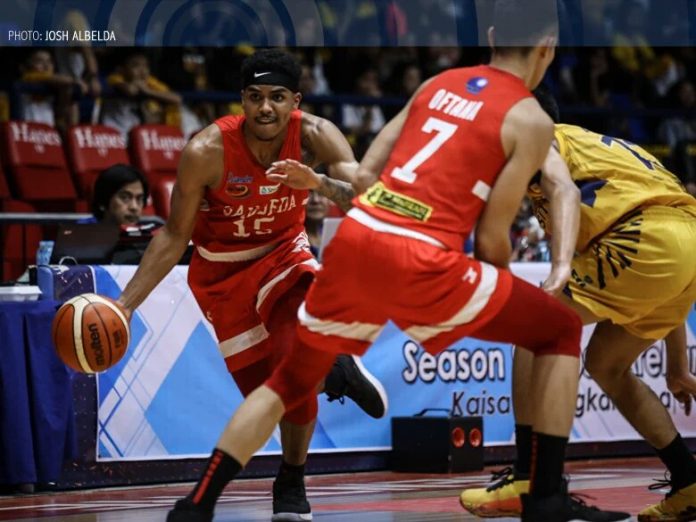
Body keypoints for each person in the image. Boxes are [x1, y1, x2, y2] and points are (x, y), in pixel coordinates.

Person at [165, 2, 630, 521]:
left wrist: (319, 183)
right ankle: (546, 498)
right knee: (559, 329)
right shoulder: (532, 118)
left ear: (493, 36)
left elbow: (363, 179)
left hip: (360, 240)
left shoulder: (437, 85)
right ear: (549, 48)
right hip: (425, 257)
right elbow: (493, 235)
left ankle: (196, 505)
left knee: (289, 384)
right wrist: (501, 292)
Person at [115, 49, 387, 522]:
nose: (266, 108)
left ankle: (292, 478)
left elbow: (370, 197)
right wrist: (124, 305)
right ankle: (335, 371)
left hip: (286, 255)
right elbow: (175, 235)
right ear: (242, 99)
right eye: (256, 97)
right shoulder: (206, 150)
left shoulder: (318, 133)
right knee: (268, 398)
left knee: (292, 368)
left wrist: (317, 181)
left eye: (277, 98)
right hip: (223, 273)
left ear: (295, 100)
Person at [460, 88, 696, 521]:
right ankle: (689, 481)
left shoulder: (543, 141)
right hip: (681, 248)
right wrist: (677, 365)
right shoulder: (589, 152)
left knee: (533, 327)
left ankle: (528, 477)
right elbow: (672, 254)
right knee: (607, 364)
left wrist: (562, 267)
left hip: (645, 237)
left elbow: (652, 236)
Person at [84, 164, 149, 226]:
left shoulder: (150, 234)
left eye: (139, 199)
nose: (134, 207)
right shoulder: (80, 232)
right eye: (125, 198)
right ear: (102, 201)